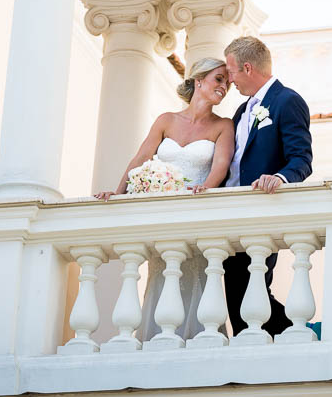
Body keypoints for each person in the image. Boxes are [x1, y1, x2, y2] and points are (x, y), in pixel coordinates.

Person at [95, 57, 234, 341]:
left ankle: (198, 345)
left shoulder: (224, 126)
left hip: (196, 212)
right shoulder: (166, 120)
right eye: (218, 79)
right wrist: (118, 192)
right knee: (163, 276)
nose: (224, 87)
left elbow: (221, 165)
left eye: (228, 83)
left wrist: (205, 188)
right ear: (199, 80)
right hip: (164, 218)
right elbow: (141, 158)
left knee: (196, 276)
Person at [222, 36, 313, 337]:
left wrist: (281, 178)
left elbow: (301, 158)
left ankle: (302, 336)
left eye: (232, 72)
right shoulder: (241, 111)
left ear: (247, 68)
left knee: (250, 295)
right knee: (237, 299)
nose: (229, 80)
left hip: (260, 213)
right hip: (229, 215)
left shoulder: (287, 101)